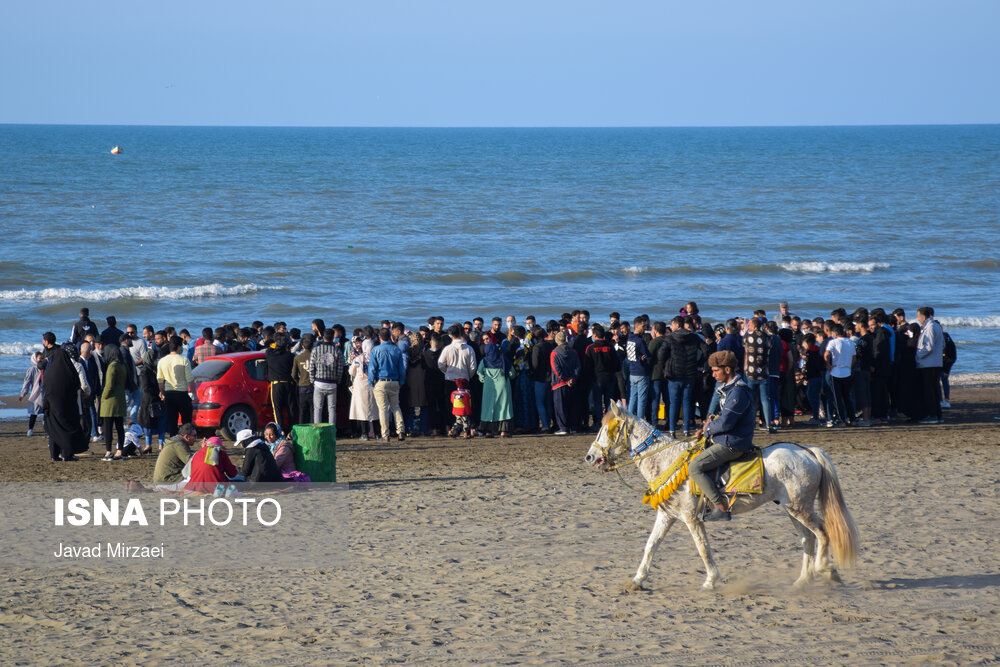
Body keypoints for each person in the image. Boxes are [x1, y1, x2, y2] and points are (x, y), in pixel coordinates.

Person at [692, 350, 755, 522]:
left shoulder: (738, 392)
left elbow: (726, 423)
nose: (712, 375)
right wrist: (708, 426)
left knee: (695, 467)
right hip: (728, 438)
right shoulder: (730, 389)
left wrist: (707, 429)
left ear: (727, 370)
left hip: (733, 443)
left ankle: (720, 507)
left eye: (715, 371)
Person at [41, 338, 89, 461]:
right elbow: (77, 385)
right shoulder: (70, 371)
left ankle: (54, 455)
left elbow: (45, 388)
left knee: (54, 430)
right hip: (68, 407)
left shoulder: (50, 372)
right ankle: (67, 454)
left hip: (52, 408)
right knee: (68, 429)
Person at [662, 315, 707, 438]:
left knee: (673, 403)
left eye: (671, 325)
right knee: (686, 402)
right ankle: (686, 429)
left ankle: (672, 430)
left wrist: (666, 366)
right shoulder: (694, 337)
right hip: (689, 373)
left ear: (677, 325)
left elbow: (661, 354)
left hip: (674, 374)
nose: (670, 327)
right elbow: (706, 350)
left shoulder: (670, 338)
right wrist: (699, 363)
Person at [368, 328, 407, 442]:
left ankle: (385, 435)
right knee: (396, 407)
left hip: (381, 381)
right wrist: (401, 382)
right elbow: (402, 369)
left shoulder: (376, 350)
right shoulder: (396, 350)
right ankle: (401, 431)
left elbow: (372, 368)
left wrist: (371, 382)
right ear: (390, 336)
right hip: (394, 381)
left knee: (383, 409)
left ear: (379, 337)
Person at [476, 336, 515, 437]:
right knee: (504, 408)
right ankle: (504, 431)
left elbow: (479, 372)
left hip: (488, 386)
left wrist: (483, 379)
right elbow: (512, 373)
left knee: (489, 407)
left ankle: (489, 431)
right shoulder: (504, 359)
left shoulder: (484, 361)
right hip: (503, 385)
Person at [157, 336, 194, 436]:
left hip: (169, 394)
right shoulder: (184, 360)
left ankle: (174, 445)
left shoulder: (162, 361)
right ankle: (186, 445)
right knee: (186, 423)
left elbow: (160, 381)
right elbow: (190, 379)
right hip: (182, 394)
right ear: (178, 347)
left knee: (172, 423)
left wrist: (163, 393)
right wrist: (194, 394)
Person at [742, 317, 773, 432]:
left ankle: (750, 422)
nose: (748, 326)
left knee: (750, 398)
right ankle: (768, 424)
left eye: (749, 325)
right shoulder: (767, 337)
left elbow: (745, 351)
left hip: (751, 371)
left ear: (754, 326)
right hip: (764, 371)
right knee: (765, 399)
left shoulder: (748, 336)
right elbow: (770, 348)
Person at [915, 306, 945, 425]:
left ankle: (932, 415)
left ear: (923, 316)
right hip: (933, 362)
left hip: (928, 364)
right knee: (933, 389)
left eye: (918, 316)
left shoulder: (931, 326)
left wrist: (917, 355)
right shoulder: (934, 326)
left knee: (929, 390)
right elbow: (942, 345)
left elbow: (928, 346)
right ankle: (937, 414)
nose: (917, 319)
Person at [99, 344, 128, 460]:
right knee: (120, 427)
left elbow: (109, 385)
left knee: (108, 428)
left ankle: (108, 451)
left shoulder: (112, 366)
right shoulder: (122, 366)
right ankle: (120, 450)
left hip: (110, 401)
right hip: (120, 399)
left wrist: (103, 397)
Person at [824, 324, 856, 427]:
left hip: (836, 372)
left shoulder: (833, 342)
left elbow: (826, 354)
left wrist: (828, 365)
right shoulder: (850, 342)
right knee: (847, 397)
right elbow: (854, 358)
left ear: (834, 333)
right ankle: (852, 419)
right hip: (847, 372)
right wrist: (849, 367)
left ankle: (842, 420)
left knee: (837, 399)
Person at [310, 328, 344, 424]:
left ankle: (318, 431)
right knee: (332, 409)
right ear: (333, 338)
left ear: (323, 337)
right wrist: (338, 381)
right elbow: (340, 369)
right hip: (332, 383)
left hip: (319, 382)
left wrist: (312, 380)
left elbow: (312, 368)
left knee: (317, 409)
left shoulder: (316, 350)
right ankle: (332, 431)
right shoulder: (337, 351)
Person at [550, 331, 581, 435]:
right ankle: (573, 427)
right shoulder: (573, 352)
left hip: (559, 384)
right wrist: (572, 378)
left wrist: (565, 379)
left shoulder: (554, 353)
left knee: (560, 407)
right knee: (572, 405)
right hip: (572, 382)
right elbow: (578, 366)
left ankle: (563, 428)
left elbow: (556, 369)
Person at [152, 423, 197, 491]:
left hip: (161, 481)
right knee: (198, 477)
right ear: (186, 437)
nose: (196, 438)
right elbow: (192, 462)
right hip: (167, 482)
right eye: (194, 436)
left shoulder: (175, 443)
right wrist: (204, 451)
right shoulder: (178, 445)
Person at [348, 336, 377, 440]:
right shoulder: (376, 357)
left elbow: (351, 372)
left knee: (361, 410)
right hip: (373, 385)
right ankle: (376, 433)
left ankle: (364, 434)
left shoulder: (358, 358)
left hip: (360, 386)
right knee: (375, 409)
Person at [626, 317, 652, 421]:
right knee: (642, 399)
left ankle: (629, 419)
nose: (644, 328)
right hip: (641, 372)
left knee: (633, 397)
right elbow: (648, 356)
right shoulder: (640, 341)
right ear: (637, 326)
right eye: (643, 326)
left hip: (632, 371)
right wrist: (645, 358)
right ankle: (640, 421)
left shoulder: (630, 338)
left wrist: (640, 356)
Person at [20, 351, 44, 436]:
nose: (41, 360)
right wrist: (23, 393)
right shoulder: (32, 370)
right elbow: (27, 382)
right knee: (34, 413)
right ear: (34, 359)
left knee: (47, 413)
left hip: (45, 393)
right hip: (36, 394)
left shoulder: (45, 368)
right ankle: (30, 429)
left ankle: (47, 429)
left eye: (42, 358)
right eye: (39, 358)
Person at [292, 333, 314, 425]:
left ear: (302, 346)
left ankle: (302, 429)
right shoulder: (315, 356)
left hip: (302, 387)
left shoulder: (297, 358)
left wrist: (299, 381)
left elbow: (293, 374)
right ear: (312, 345)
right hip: (313, 386)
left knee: (302, 411)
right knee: (313, 410)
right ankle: (314, 429)